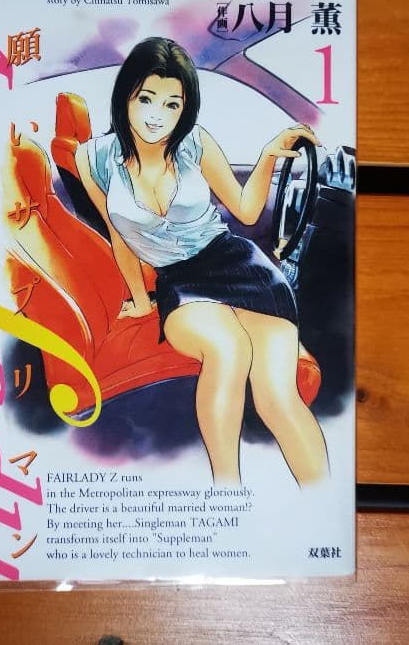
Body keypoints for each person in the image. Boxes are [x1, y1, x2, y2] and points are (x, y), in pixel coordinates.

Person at [74, 37, 328, 485]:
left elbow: (246, 211)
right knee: (228, 349)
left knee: (277, 397)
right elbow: (118, 235)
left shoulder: (196, 143)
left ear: (185, 108)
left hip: (241, 267)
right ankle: (225, 493)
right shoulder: (94, 158)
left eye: (172, 104)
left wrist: (268, 156)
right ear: (126, 95)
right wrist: (140, 300)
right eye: (146, 98)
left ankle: (319, 495)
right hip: (179, 280)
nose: (157, 115)